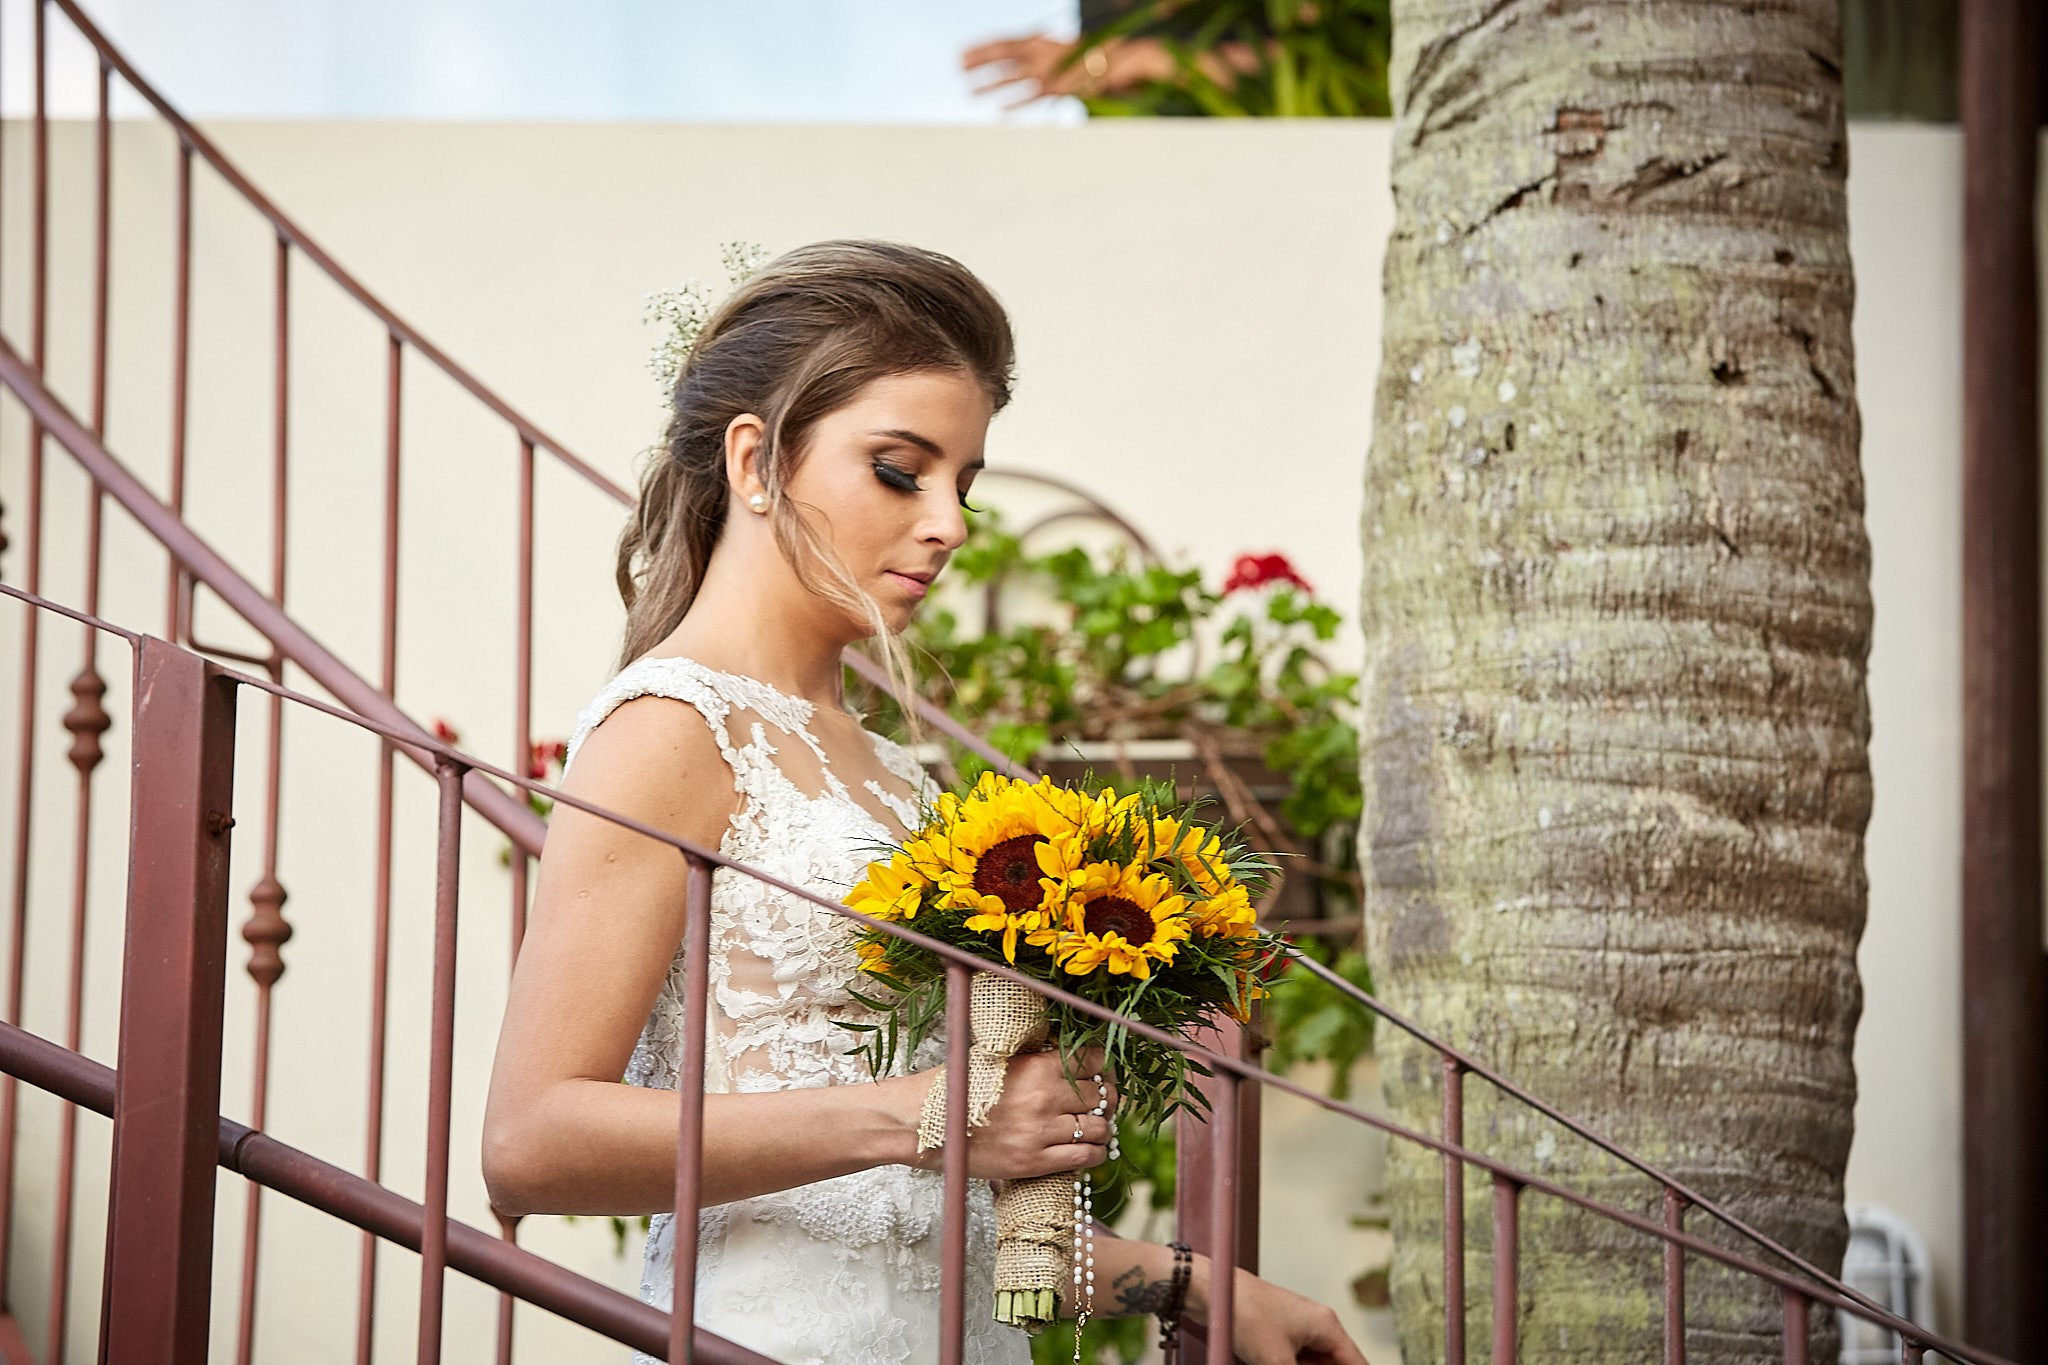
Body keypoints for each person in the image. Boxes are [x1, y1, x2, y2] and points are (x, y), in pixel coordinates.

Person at [482, 240, 1366, 1365]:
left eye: (964, 483)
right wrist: (931, 1114)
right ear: (754, 461)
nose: (948, 523)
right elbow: (528, 1140)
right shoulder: (669, 729)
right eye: (900, 470)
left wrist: (1189, 1285)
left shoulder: (899, 774)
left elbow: (922, 1206)